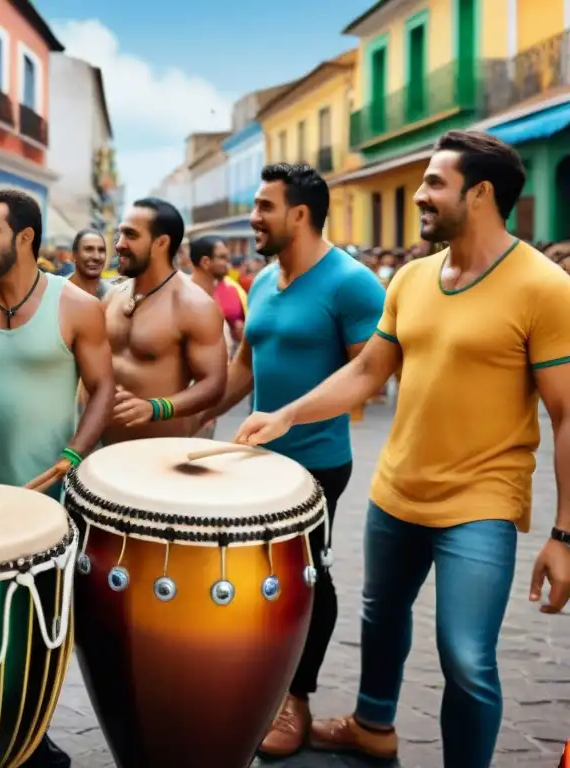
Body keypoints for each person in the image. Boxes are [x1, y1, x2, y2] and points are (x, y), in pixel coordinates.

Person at [234, 131, 570, 767]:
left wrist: (564, 535)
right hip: (395, 490)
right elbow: (367, 372)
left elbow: (566, 414)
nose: (419, 194)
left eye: (435, 183)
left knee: (467, 658)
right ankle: (373, 726)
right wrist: (284, 417)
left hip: (481, 502)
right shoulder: (412, 279)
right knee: (381, 614)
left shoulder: (543, 286)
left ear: (481, 193)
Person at [198, 163, 386, 758]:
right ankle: (261, 681)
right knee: (255, 579)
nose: (253, 217)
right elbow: (245, 370)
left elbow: (369, 377)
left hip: (316, 464)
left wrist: (291, 416)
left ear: (300, 214)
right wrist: (198, 415)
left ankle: (296, 699)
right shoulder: (261, 280)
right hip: (255, 463)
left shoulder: (352, 284)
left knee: (307, 577)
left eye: (264, 207)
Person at [0, 189, 115, 767]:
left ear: (25, 238)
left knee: (40, 627)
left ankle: (29, 732)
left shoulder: (77, 306)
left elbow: (103, 388)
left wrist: (74, 455)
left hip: (48, 502)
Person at [101, 198, 227, 444]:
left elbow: (214, 384)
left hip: (162, 451)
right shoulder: (112, 297)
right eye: (120, 234)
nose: (119, 244)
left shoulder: (194, 305)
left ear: (161, 243)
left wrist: (156, 408)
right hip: (104, 450)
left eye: (131, 235)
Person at [188, 235, 245, 343]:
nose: (228, 265)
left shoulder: (230, 289)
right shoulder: (184, 296)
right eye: (222, 258)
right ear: (205, 262)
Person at [68, 228, 111, 299]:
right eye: (88, 249)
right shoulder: (56, 291)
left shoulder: (114, 296)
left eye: (101, 250)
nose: (96, 257)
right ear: (74, 255)